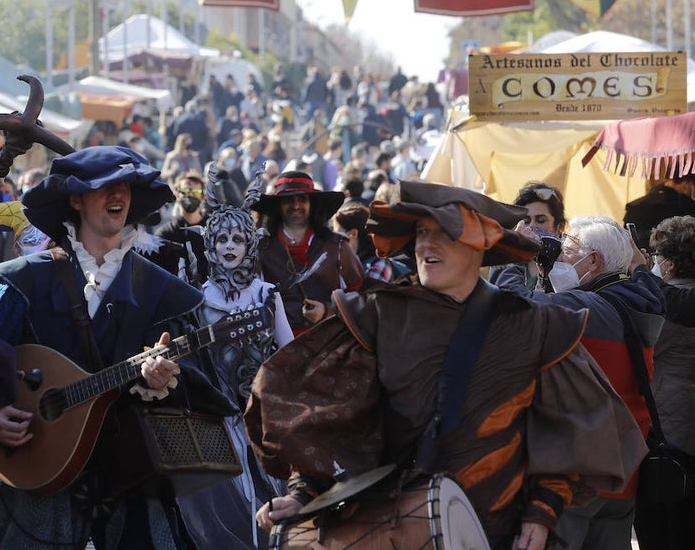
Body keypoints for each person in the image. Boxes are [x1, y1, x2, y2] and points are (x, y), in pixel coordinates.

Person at [248, 182, 647, 550]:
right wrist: (303, 492)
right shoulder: (377, 316)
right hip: (393, 527)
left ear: (481, 243)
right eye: (421, 233)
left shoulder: (534, 325)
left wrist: (541, 514)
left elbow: (569, 433)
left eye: (443, 232)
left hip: (497, 532)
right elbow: (334, 423)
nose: (426, 245)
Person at [0, 145, 235, 549]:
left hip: (132, 465)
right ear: (75, 199)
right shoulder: (25, 279)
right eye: (104, 186)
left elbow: (199, 383)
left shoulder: (162, 289)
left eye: (124, 187)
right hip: (41, 459)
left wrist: (163, 381)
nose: (118, 196)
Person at [499, 216, 663, 549]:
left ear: (593, 261)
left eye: (566, 251)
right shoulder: (641, 301)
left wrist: (514, 255)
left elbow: (510, 306)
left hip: (578, 478)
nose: (557, 257)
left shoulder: (588, 311)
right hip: (624, 475)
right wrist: (639, 265)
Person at [176, 167, 293, 549]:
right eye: (222, 238)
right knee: (226, 513)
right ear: (210, 243)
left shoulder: (267, 295)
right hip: (216, 423)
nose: (229, 246)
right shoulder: (197, 297)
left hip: (264, 417)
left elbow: (289, 356)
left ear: (249, 244)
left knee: (269, 503)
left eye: (237, 239)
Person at [635, 215, 695, 550]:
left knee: (664, 527)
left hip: (671, 431)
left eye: (656, 258)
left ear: (668, 264)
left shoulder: (668, 309)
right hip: (683, 419)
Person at [255, 171, 364, 332]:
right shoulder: (261, 249)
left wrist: (327, 310)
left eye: (302, 199)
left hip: (331, 345)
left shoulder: (338, 246)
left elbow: (361, 296)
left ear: (312, 205)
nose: (296, 205)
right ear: (278, 206)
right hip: (278, 350)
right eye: (288, 200)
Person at [140, 172, 209, 288]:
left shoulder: (215, 230)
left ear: (203, 196)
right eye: (185, 191)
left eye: (195, 191)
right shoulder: (165, 235)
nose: (189, 195)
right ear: (176, 195)